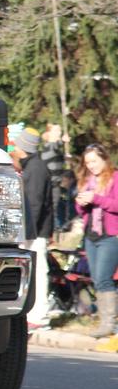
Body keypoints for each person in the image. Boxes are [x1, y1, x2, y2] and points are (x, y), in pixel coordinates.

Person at [11, 127, 55, 329]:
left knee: (38, 271)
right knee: (34, 271)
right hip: (33, 230)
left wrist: (27, 233)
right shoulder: (32, 166)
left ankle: (39, 316)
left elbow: (35, 203)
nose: (14, 147)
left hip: (35, 231)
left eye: (16, 144)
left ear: (23, 147)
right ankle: (34, 313)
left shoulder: (36, 169)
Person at [74, 144, 118, 338]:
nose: (91, 166)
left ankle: (109, 323)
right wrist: (81, 203)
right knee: (96, 279)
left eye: (94, 161)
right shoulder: (87, 181)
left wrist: (97, 199)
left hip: (110, 236)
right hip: (91, 236)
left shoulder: (115, 178)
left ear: (104, 159)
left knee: (103, 279)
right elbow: (82, 212)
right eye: (88, 162)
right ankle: (105, 321)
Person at [40, 123, 68, 231]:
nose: (59, 133)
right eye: (56, 131)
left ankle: (54, 229)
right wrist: (63, 141)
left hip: (56, 183)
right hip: (51, 184)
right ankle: (51, 230)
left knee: (55, 207)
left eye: (60, 131)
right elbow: (56, 145)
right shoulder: (51, 145)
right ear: (49, 133)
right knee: (52, 208)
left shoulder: (54, 148)